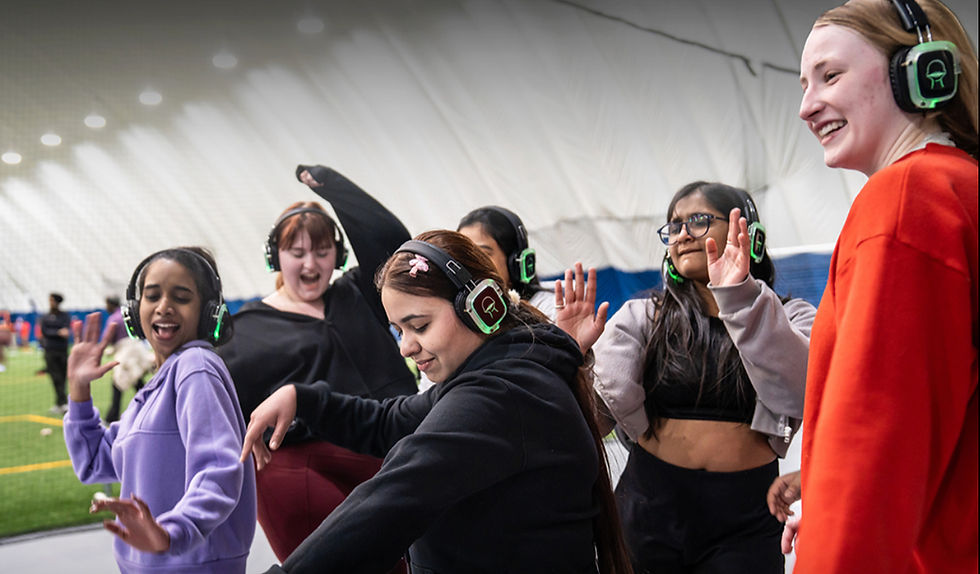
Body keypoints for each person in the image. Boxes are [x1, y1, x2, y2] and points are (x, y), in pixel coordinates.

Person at [240, 230, 630, 574]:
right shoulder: (497, 373)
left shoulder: (497, 398)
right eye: (399, 331)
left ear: (478, 306)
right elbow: (389, 422)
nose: (406, 347)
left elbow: (391, 501)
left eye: (420, 326)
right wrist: (304, 399)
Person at [795, 0, 977, 571]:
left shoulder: (907, 199)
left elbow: (874, 442)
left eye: (830, 75)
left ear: (921, 72)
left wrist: (836, 536)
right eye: (804, 85)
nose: (806, 106)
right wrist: (822, 504)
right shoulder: (959, 188)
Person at [592, 181, 816, 573]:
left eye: (698, 220)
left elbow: (805, 391)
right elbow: (595, 421)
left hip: (747, 516)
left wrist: (740, 297)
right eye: (674, 226)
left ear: (746, 232)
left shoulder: (791, 316)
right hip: (648, 506)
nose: (682, 235)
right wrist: (572, 358)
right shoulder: (643, 317)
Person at [217, 165, 418, 563]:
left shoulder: (359, 293)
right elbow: (213, 408)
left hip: (399, 451)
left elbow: (395, 246)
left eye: (322, 252)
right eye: (297, 253)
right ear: (276, 257)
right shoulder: (246, 331)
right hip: (317, 474)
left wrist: (336, 191)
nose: (310, 265)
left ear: (338, 256)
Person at [63, 247, 256, 573]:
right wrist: (79, 391)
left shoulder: (196, 368)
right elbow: (95, 461)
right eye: (152, 296)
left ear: (208, 312)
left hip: (190, 565)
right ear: (135, 310)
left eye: (181, 297)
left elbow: (219, 470)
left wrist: (171, 533)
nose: (164, 306)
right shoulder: (157, 387)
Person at [457, 205, 556, 318]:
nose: (471, 264)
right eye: (464, 255)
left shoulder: (551, 310)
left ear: (515, 263)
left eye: (483, 255)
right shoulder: (463, 313)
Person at [102, 296, 150, 423]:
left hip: (125, 354)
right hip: (138, 349)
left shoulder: (114, 319)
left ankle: (112, 416)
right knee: (137, 381)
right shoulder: (127, 315)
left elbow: (108, 338)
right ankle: (150, 407)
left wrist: (106, 348)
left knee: (118, 382)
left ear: (111, 304)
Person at [40, 292, 71, 413]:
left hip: (62, 351)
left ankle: (61, 403)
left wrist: (57, 332)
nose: (50, 303)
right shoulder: (45, 316)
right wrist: (58, 332)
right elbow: (45, 331)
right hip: (50, 351)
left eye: (52, 300)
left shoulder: (64, 316)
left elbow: (66, 330)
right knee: (55, 377)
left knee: (63, 377)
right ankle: (62, 402)